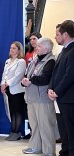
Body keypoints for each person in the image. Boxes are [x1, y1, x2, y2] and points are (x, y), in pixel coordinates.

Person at [21, 38, 56, 155]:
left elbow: (45, 79)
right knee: (34, 125)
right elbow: (27, 74)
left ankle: (49, 151)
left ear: (46, 48)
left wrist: (30, 80)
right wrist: (24, 81)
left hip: (43, 100)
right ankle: (35, 146)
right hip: (31, 97)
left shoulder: (50, 61)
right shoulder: (35, 60)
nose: (36, 47)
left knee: (46, 126)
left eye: (39, 46)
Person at [48, 20, 74, 156]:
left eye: (57, 34)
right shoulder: (63, 51)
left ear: (65, 34)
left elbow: (70, 75)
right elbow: (55, 73)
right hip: (59, 98)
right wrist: (51, 88)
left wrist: (57, 91)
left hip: (69, 99)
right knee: (64, 131)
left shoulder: (73, 51)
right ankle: (65, 152)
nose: (55, 37)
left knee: (71, 131)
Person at [0, 41, 26, 141]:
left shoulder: (21, 61)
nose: (11, 49)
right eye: (11, 48)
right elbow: (4, 74)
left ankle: (17, 132)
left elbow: (18, 75)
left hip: (17, 90)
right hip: (8, 90)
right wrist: (2, 84)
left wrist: (7, 83)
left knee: (17, 112)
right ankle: (13, 131)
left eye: (14, 48)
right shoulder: (7, 61)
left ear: (19, 50)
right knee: (11, 111)